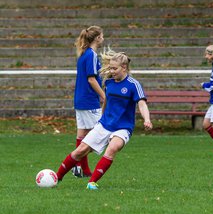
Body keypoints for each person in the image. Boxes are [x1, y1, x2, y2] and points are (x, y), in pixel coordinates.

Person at [56, 49, 153, 190]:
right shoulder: (109, 83)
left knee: (112, 148)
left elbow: (142, 103)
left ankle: (92, 182)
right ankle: (56, 178)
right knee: (80, 151)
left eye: (115, 68)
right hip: (105, 124)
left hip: (123, 128)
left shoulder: (133, 85)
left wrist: (147, 119)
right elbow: (107, 101)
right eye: (110, 68)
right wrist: (101, 117)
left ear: (124, 67)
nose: (112, 71)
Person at [72, 25, 106, 178]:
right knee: (100, 134)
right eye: (102, 35)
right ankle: (75, 163)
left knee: (83, 134)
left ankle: (82, 169)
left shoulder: (84, 54)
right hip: (88, 100)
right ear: (97, 38)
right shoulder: (91, 54)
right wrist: (103, 96)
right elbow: (91, 79)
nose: (103, 38)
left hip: (80, 99)